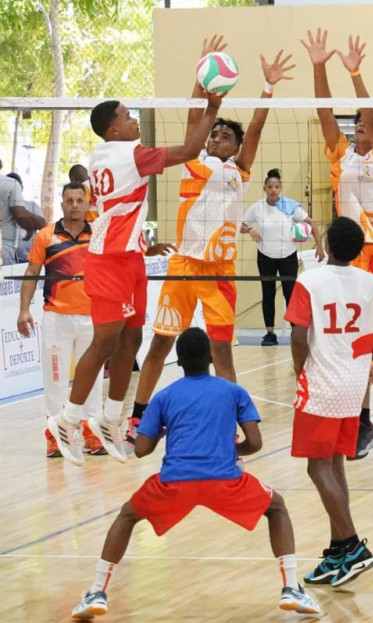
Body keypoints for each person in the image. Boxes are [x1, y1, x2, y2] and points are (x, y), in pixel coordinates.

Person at [68, 328, 321, 619]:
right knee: (276, 508)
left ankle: (97, 592)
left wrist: (163, 430)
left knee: (127, 516)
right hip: (225, 481)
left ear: (180, 361)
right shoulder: (234, 391)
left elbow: (140, 450)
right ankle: (290, 587)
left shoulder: (164, 397)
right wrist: (231, 452)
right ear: (211, 357)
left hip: (175, 482)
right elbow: (255, 442)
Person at [130, 36, 296, 438]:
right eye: (214, 134)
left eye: (224, 135)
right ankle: (138, 417)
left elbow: (255, 128)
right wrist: (199, 80)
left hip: (220, 271)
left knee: (221, 350)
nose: (216, 137)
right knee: (160, 343)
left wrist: (268, 86)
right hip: (185, 266)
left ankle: (236, 419)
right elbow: (193, 121)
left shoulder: (239, 172)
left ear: (237, 147)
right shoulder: (193, 162)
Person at [47, 88, 223, 467]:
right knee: (105, 340)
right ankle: (68, 418)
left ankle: (111, 417)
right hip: (108, 260)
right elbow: (191, 149)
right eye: (128, 116)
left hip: (129, 258)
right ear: (113, 130)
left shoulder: (102, 154)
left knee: (133, 336)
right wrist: (213, 105)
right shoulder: (131, 154)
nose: (135, 120)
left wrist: (194, 90)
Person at [285, 216, 373, 586]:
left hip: (322, 383)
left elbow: (298, 334)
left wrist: (298, 369)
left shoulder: (309, 280)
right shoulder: (369, 281)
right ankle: (338, 552)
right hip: (354, 385)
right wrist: (372, 357)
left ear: (329, 247)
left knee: (317, 468)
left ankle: (353, 545)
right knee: (334, 465)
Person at [301, 28, 373, 459]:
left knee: (364, 336)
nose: (358, 126)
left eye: (365, 123)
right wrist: (320, 66)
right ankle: (351, 416)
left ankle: (362, 421)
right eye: (357, 123)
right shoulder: (341, 155)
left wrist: (355, 73)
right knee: (342, 338)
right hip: (348, 256)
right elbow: (326, 112)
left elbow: (372, 117)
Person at [17, 182, 105, 458]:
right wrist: (24, 310)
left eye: (80, 200)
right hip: (57, 318)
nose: (75, 205)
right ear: (63, 203)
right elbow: (32, 272)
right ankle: (56, 436)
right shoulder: (46, 236)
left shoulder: (99, 234)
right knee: (55, 380)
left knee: (92, 378)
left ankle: (92, 434)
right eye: (70, 200)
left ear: (87, 203)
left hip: (93, 319)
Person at [241, 168, 323, 346]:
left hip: (288, 255)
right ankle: (270, 334)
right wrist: (249, 229)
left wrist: (320, 246)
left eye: (276, 186)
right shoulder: (257, 208)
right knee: (267, 293)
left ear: (280, 188)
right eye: (270, 187)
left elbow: (312, 223)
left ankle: (296, 332)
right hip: (265, 256)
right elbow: (240, 225)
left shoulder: (290, 206)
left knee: (291, 294)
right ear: (265, 188)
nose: (273, 190)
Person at [1, 169, 45, 266]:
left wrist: (27, 218)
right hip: (7, 256)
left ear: (21, 187)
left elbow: (43, 225)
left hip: (28, 259)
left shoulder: (32, 205)